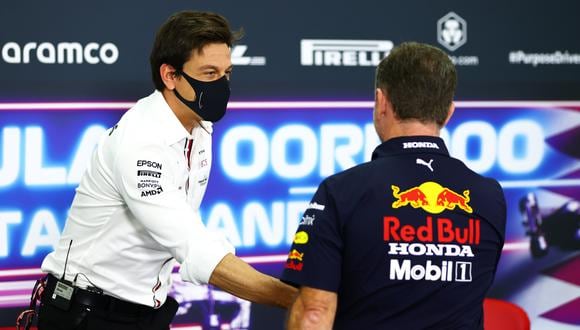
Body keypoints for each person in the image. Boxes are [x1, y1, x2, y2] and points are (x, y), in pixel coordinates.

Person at [31, 10, 296, 330]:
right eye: (209, 73)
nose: (222, 85)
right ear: (170, 76)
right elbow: (198, 251)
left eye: (226, 73)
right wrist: (300, 299)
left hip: (144, 312)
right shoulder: (142, 142)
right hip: (86, 315)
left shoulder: (199, 125)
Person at [282, 42, 506, 329]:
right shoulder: (490, 197)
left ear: (381, 101)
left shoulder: (341, 191)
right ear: (449, 112)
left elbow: (315, 312)